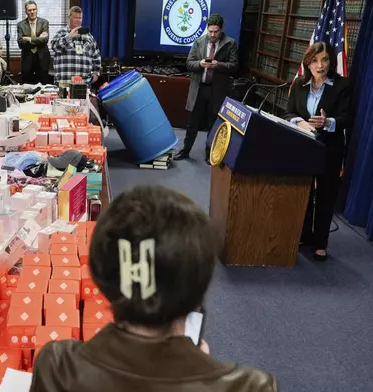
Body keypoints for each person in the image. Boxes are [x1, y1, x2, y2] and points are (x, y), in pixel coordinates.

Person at [31, 185, 277, 391]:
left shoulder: (57, 366)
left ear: (100, 274)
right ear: (200, 283)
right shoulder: (250, 386)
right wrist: (202, 367)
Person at [284, 42, 351, 262]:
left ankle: (321, 243)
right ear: (307, 62)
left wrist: (327, 121)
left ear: (331, 61)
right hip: (303, 148)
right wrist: (299, 122)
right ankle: (304, 235)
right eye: (314, 60)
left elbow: (346, 118)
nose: (320, 65)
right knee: (303, 193)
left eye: (324, 60)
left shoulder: (342, 86)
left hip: (329, 150)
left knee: (325, 196)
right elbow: (289, 112)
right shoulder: (298, 84)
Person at [174, 13, 238, 164]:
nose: (213, 34)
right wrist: (200, 64)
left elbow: (235, 66)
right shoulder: (198, 42)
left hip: (217, 90)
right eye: (210, 31)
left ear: (221, 30)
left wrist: (218, 65)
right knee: (192, 122)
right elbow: (189, 63)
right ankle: (185, 150)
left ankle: (210, 154)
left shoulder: (230, 43)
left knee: (213, 123)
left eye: (216, 31)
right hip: (199, 88)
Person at [50, 6, 101, 88]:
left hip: (84, 83)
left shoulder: (89, 36)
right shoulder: (61, 33)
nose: (78, 20)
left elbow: (96, 56)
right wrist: (69, 37)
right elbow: (54, 47)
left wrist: (96, 73)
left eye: (80, 18)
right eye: (75, 18)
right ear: (69, 18)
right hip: (64, 82)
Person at [17, 1, 51, 84]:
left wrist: (29, 39)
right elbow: (21, 43)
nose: (32, 12)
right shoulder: (20, 25)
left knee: (43, 86)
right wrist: (38, 39)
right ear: (26, 12)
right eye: (29, 10)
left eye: (34, 9)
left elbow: (45, 40)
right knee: (27, 86)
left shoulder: (44, 22)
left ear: (37, 10)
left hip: (42, 58)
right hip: (27, 58)